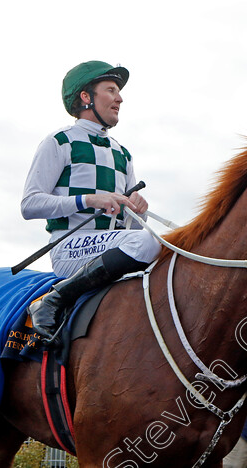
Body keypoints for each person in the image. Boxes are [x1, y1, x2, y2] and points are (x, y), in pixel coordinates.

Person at [21, 60, 161, 340]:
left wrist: (139, 211)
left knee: (164, 246)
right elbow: (29, 205)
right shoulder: (59, 141)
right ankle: (53, 299)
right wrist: (89, 199)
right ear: (86, 97)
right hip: (69, 248)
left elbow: (130, 227)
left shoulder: (123, 153)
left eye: (118, 91)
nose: (119, 98)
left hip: (111, 246)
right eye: (110, 90)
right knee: (148, 242)